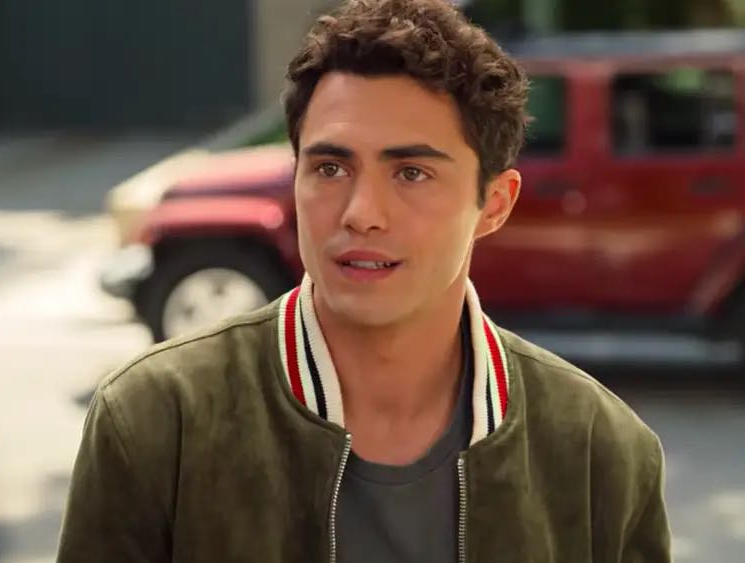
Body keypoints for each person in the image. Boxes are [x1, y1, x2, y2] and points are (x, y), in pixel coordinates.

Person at [57, 1, 671, 561]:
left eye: (411, 173)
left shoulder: (598, 450)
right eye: (330, 167)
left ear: (494, 204)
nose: (361, 213)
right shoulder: (160, 419)